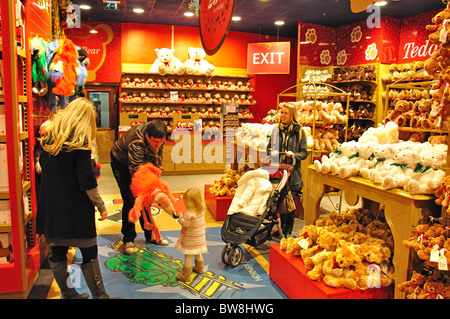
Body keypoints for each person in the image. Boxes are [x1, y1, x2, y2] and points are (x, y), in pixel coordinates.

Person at [36, 98, 112, 299]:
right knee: (89, 252)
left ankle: (70, 294)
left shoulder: (49, 140)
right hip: (76, 211)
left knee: (58, 252)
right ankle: (100, 296)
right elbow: (87, 182)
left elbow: (43, 171)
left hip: (53, 207)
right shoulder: (80, 143)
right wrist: (101, 206)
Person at [110, 120, 174, 254]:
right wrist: (148, 187)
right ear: (147, 136)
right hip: (121, 162)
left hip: (142, 161)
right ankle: (128, 239)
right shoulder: (137, 142)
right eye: (155, 142)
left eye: (161, 142)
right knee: (131, 200)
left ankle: (151, 236)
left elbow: (157, 157)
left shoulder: (158, 137)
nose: (158, 145)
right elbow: (136, 171)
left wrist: (156, 176)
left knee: (147, 200)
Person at [267, 102, 308, 238]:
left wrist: (294, 155)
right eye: (281, 112)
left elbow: (304, 153)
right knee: (278, 200)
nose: (282, 115)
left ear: (292, 115)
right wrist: (271, 152)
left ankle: (287, 231)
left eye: (285, 113)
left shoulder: (300, 132)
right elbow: (269, 148)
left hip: (292, 173)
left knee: (289, 203)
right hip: (278, 171)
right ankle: (280, 229)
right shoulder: (275, 130)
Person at [175, 188, 208, 281]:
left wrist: (180, 216)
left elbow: (185, 223)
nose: (185, 203)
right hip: (199, 238)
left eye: (186, 201)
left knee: (188, 256)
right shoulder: (201, 209)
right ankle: (199, 267)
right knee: (198, 252)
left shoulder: (189, 212)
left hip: (190, 239)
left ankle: (186, 275)